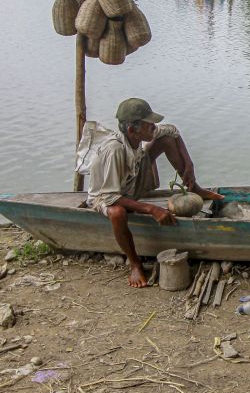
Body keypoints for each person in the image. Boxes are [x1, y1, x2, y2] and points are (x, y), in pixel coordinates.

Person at [87, 98, 223, 288]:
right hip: (105, 196)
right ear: (132, 130)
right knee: (118, 213)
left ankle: (194, 188)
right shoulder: (115, 150)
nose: (154, 127)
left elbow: (173, 131)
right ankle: (135, 264)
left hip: (131, 179)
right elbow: (110, 196)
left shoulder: (143, 134)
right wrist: (151, 209)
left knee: (167, 140)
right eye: (149, 125)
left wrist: (189, 163)